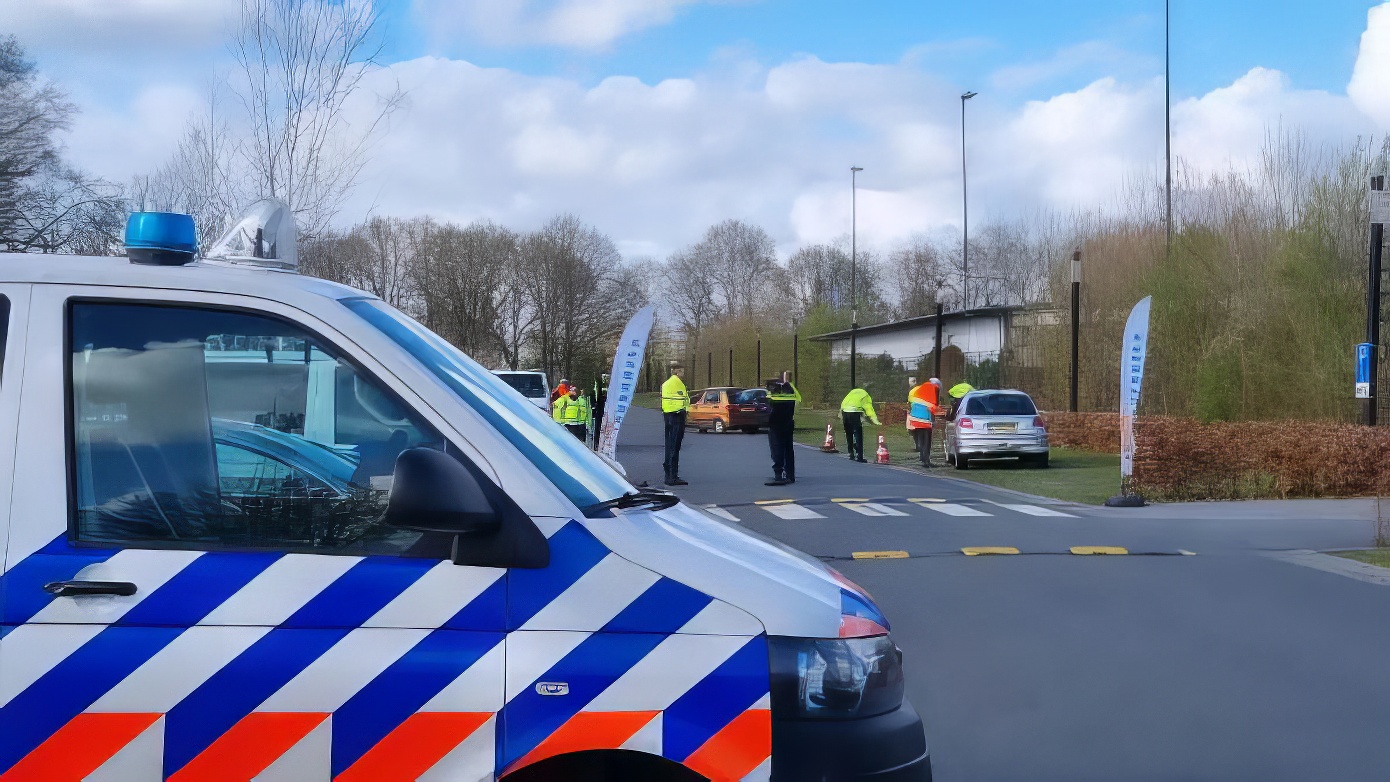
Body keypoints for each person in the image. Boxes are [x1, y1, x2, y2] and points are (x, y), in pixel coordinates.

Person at [766, 371, 801, 485]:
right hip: (788, 422)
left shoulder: (773, 392)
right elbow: (798, 399)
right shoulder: (792, 391)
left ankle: (778, 475)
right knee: (788, 449)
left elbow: (768, 403)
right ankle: (790, 475)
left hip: (775, 423)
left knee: (777, 449)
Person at [660, 362, 690, 485]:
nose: (684, 374)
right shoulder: (677, 383)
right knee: (674, 447)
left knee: (669, 445)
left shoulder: (666, 383)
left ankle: (668, 475)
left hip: (668, 415)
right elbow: (682, 400)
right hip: (677, 415)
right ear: (677, 372)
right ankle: (673, 476)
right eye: (682, 371)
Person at [839, 383, 880, 463]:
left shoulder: (852, 392)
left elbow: (844, 403)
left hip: (845, 411)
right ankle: (859, 456)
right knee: (858, 433)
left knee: (848, 433)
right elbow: (869, 409)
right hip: (854, 411)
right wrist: (876, 422)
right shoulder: (865, 395)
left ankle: (851, 453)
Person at [907, 377, 941, 467]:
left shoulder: (920, 388)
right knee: (927, 441)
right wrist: (934, 419)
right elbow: (933, 406)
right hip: (925, 418)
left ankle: (922, 458)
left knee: (921, 439)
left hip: (915, 417)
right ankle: (926, 461)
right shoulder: (934, 389)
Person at [592, 373, 609, 450]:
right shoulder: (598, 385)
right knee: (598, 426)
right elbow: (596, 396)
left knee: (604, 426)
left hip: (604, 408)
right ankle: (597, 442)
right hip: (599, 408)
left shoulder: (607, 386)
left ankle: (603, 442)